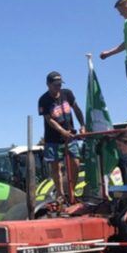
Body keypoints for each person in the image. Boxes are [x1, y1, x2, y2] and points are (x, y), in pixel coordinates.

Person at [38, 71, 85, 202]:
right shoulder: (44, 100)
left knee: (75, 162)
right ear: (48, 84)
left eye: (59, 84)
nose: (57, 87)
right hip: (53, 139)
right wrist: (61, 131)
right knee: (56, 167)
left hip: (70, 136)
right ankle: (60, 193)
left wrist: (82, 124)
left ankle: (71, 191)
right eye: (55, 85)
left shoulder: (67, 94)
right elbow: (49, 119)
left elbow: (76, 109)